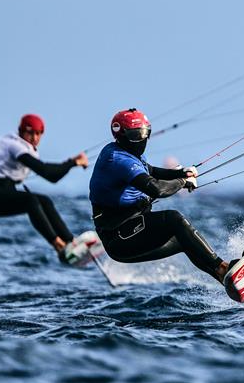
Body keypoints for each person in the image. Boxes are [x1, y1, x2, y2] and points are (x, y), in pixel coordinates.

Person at [88, 108, 232, 288]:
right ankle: (222, 267)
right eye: (135, 135)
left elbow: (152, 171)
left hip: (131, 228)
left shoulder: (129, 153)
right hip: (119, 240)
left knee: (185, 239)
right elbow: (156, 189)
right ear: (122, 135)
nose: (141, 139)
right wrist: (182, 182)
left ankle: (224, 277)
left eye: (144, 133)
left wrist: (180, 172)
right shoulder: (117, 159)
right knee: (174, 219)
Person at [0, 114, 88, 262]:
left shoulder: (23, 147)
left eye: (38, 133)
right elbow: (47, 173)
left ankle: (72, 243)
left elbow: (53, 175)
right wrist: (73, 162)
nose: (34, 137)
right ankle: (58, 245)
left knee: (44, 201)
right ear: (21, 131)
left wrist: (71, 162)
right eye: (30, 132)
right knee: (30, 200)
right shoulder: (14, 145)